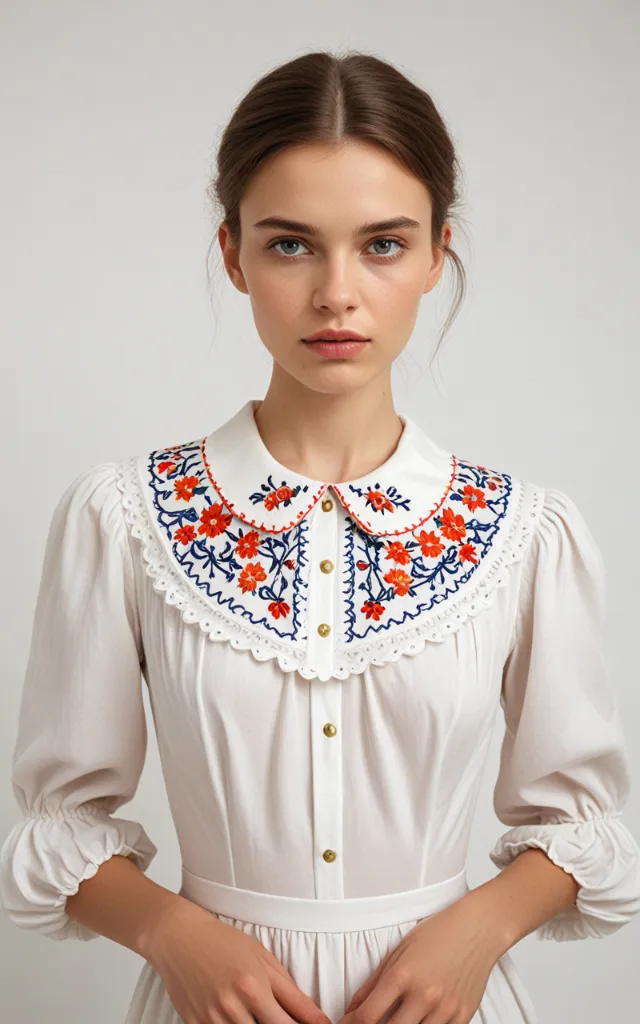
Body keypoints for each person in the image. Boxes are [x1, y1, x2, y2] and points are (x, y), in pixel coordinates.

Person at [1, 49, 639, 1024]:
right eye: (291, 244)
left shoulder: (525, 533)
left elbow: (582, 824)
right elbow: (60, 826)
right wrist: (175, 932)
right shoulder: (123, 517)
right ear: (233, 253)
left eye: (382, 244)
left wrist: (474, 931)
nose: (337, 292)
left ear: (436, 253)